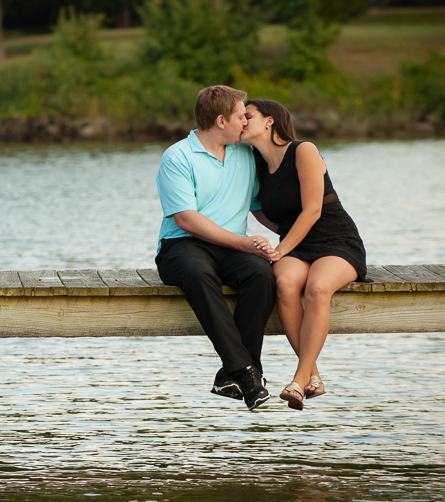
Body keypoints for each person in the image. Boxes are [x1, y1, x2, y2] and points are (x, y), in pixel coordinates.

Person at [155, 85, 279, 411]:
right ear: (221, 120)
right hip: (182, 246)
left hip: (233, 249)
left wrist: (299, 237)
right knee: (198, 274)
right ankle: (249, 374)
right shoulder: (178, 156)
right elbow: (186, 219)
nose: (246, 121)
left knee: (262, 275)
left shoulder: (244, 153)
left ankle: (231, 375)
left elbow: (257, 207)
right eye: (241, 116)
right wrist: (244, 243)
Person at [239, 99, 367, 410]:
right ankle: (314, 376)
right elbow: (259, 210)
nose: (241, 120)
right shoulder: (255, 165)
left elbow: (312, 211)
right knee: (282, 284)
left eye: (248, 115)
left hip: (335, 238)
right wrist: (277, 242)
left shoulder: (303, 150)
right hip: (296, 244)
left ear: (270, 121)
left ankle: (298, 379)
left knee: (317, 288)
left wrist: (280, 248)